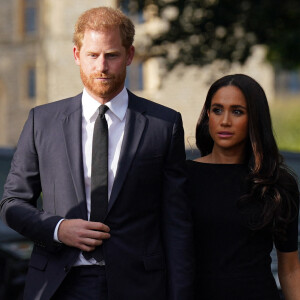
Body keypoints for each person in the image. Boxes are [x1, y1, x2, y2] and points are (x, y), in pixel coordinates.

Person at [0, 7, 194, 300]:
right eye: (92, 55)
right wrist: (57, 228)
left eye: (112, 55)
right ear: (77, 55)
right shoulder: (43, 121)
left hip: (139, 287)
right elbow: (12, 203)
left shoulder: (163, 125)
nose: (101, 66)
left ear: (129, 55)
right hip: (59, 284)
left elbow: (176, 222)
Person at [187, 74, 300, 300]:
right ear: (207, 114)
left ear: (254, 119)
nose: (225, 120)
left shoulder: (278, 184)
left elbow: (289, 268)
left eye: (237, 111)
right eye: (217, 110)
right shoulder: (182, 177)